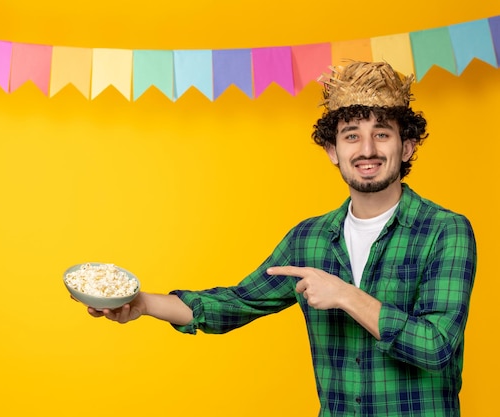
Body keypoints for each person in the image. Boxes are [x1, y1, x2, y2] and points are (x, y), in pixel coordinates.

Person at [84, 61, 477, 416]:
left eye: (382, 134)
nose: (367, 149)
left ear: (407, 146)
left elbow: (437, 347)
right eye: (352, 136)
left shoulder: (445, 230)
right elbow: (235, 304)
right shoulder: (309, 239)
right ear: (332, 151)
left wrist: (344, 294)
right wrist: (142, 303)